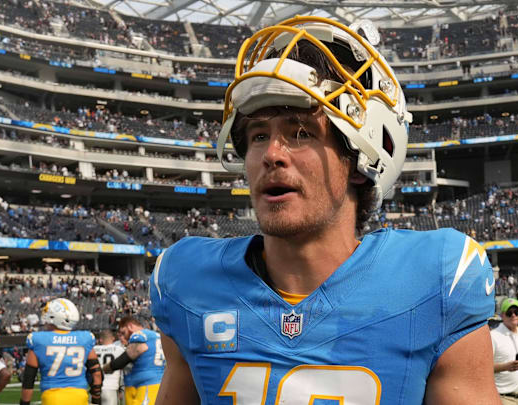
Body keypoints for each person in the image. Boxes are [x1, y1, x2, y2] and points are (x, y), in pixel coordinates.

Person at [150, 15, 499, 404]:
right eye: (259, 135)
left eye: (301, 133)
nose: (271, 154)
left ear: (361, 160)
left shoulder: (434, 281)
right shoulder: (188, 282)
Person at [20, 298, 102, 405]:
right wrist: (96, 400)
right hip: (80, 396)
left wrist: (24, 403)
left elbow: (28, 380)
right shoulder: (85, 338)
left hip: (53, 397)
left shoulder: (38, 340)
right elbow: (97, 375)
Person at [102, 316, 164, 405]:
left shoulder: (140, 335)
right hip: (156, 382)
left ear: (130, 326)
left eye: (123, 332)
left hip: (144, 385)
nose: (123, 337)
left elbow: (127, 357)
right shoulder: (155, 336)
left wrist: (107, 368)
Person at [94, 330, 125, 405]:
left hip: (95, 388)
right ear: (113, 338)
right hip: (111, 387)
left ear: (100, 339)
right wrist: (122, 389)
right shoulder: (119, 349)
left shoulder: (94, 349)